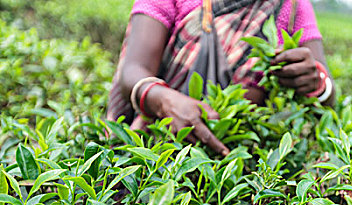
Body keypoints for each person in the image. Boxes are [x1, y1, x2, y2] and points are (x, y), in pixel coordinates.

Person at [107, 0, 335, 156]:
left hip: (240, 169)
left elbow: (328, 92)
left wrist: (316, 81)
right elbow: (134, 70)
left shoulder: (291, 5)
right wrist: (164, 100)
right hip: (153, 148)